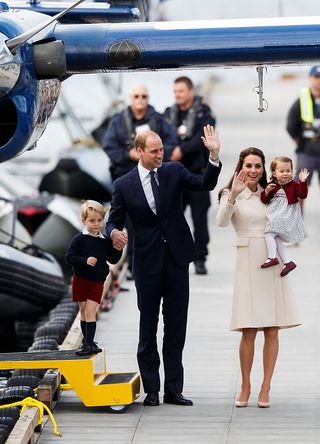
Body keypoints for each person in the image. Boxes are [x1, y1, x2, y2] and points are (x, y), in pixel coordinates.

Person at [106, 126, 221, 407]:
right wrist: (113, 233)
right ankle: (152, 390)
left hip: (177, 259)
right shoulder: (123, 184)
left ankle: (173, 389)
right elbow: (113, 220)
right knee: (148, 329)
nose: (161, 154)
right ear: (140, 151)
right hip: (146, 263)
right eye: (155, 151)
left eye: (162, 150)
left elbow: (205, 183)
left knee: (176, 327)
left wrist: (214, 156)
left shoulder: (174, 171)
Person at [216, 148, 301, 408]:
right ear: (240, 166)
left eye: (258, 166)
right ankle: (245, 384)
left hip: (271, 260)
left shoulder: (271, 193)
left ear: (264, 169)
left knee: (272, 328)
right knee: (249, 329)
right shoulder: (229, 193)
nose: (253, 170)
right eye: (249, 165)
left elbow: (284, 224)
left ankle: (266, 386)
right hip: (247, 260)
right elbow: (221, 222)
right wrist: (233, 195)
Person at [102, 84, 178, 279]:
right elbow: (108, 145)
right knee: (127, 224)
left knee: (153, 223)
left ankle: (161, 260)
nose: (140, 100)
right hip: (127, 180)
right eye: (136, 96)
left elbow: (171, 142)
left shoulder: (159, 120)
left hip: (153, 179)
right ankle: (132, 264)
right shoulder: (118, 121)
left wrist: (155, 156)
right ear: (130, 98)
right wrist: (128, 154)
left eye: (144, 96)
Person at [164, 76, 216, 275]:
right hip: (174, 176)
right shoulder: (168, 113)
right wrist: (172, 150)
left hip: (196, 175)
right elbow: (161, 135)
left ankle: (200, 258)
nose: (178, 95)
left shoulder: (204, 112)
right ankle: (175, 256)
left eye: (181, 91)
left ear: (191, 92)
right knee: (172, 219)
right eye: (175, 91)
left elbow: (202, 138)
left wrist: (182, 150)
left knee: (199, 219)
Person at [65, 200, 122, 356]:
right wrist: (84, 260)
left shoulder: (105, 241)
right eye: (92, 220)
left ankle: (89, 343)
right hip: (81, 280)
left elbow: (113, 259)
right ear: (84, 221)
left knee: (90, 311)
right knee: (83, 312)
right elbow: (69, 257)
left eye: (100, 220)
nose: (97, 224)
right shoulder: (79, 239)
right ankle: (87, 342)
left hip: (97, 281)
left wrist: (119, 248)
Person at [260, 156, 309, 277]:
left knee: (269, 233)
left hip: (287, 215)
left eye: (288, 171)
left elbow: (302, 195)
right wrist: (266, 192)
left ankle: (272, 257)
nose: (285, 174)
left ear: (292, 172)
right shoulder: (272, 185)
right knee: (276, 238)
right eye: (281, 171)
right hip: (277, 214)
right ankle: (288, 262)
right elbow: (264, 199)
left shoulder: (294, 185)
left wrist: (303, 182)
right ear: (274, 173)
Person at [286, 65, 320, 215]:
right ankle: (297, 224)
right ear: (310, 78)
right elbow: (291, 125)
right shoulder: (302, 100)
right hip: (307, 151)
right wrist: (299, 142)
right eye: (317, 78)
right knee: (300, 188)